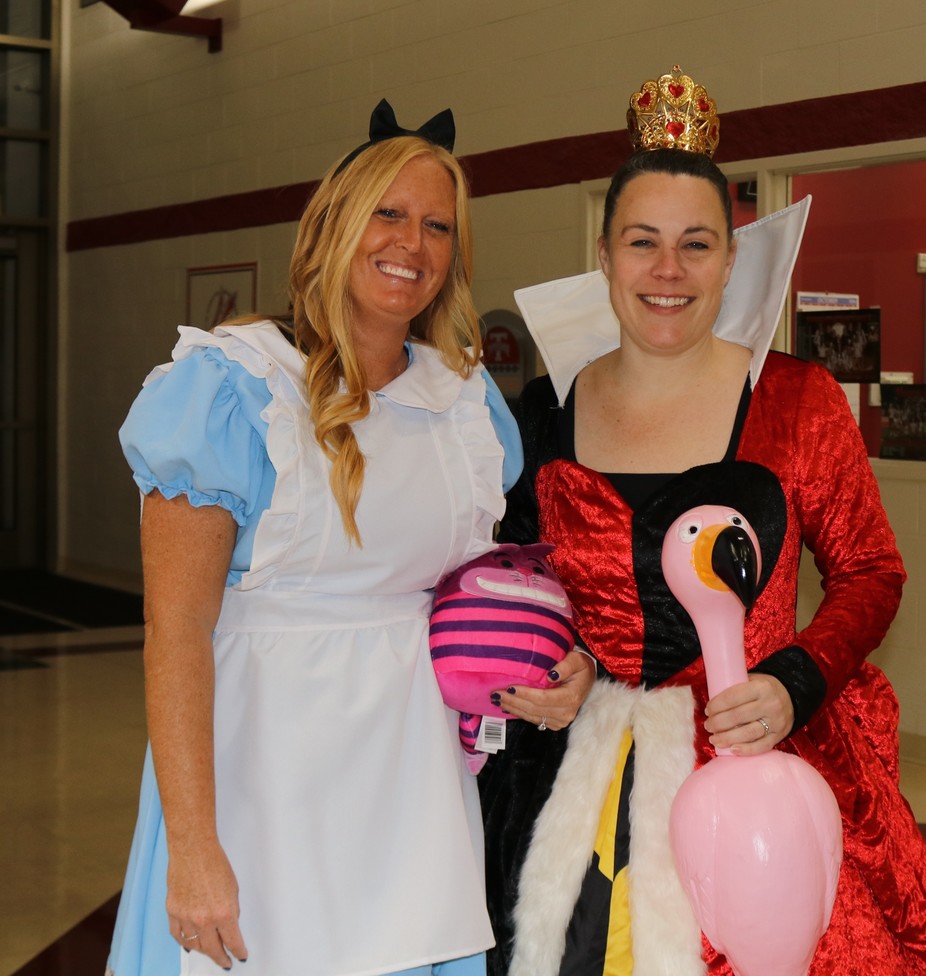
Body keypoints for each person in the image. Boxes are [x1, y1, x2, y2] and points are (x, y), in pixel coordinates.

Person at [479, 67, 926, 975]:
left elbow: (871, 570)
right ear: (604, 256)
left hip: (758, 771)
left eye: (696, 244)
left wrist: (795, 678)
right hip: (572, 780)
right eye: (642, 243)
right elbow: (522, 574)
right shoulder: (545, 410)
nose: (667, 271)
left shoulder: (798, 401)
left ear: (730, 259)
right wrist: (560, 659)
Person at [106, 99, 533, 976]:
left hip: (412, 795)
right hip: (261, 788)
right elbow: (176, 631)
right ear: (332, 223)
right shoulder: (233, 389)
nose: (410, 244)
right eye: (387, 213)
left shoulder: (467, 405)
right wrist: (193, 850)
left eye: (436, 225)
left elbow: (480, 594)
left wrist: (543, 668)